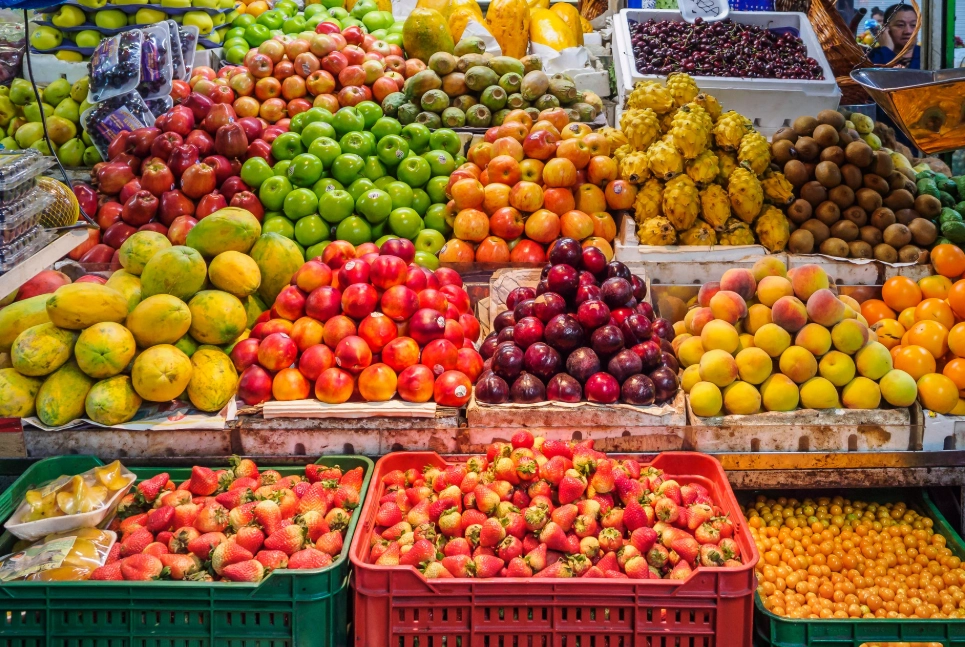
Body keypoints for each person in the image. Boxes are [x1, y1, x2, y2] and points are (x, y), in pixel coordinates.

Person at [869, 3, 920, 68]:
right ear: (885, 29)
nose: (908, 31)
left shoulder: (928, 57)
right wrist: (886, 50)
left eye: (913, 25)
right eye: (900, 25)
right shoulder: (873, 56)